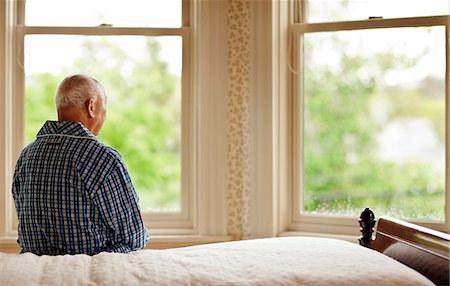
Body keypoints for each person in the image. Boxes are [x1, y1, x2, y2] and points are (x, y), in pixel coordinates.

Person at [12, 74, 149, 255]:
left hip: (34, 274)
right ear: (91, 106)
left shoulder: (26, 156)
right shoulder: (102, 158)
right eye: (104, 106)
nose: (105, 114)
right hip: (87, 274)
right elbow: (135, 237)